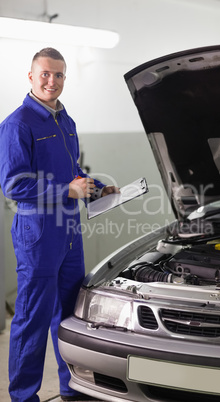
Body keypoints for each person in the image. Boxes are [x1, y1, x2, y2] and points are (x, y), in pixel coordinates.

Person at [0, 47, 119, 402]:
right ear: (32, 77)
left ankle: (72, 388)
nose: (52, 81)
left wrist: (96, 189)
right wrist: (67, 188)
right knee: (33, 317)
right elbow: (13, 185)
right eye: (46, 74)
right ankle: (24, 396)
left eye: (59, 74)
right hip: (37, 233)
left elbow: (73, 175)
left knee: (69, 314)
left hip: (68, 231)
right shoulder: (18, 124)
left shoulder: (66, 122)